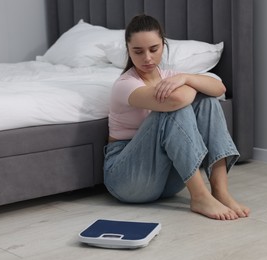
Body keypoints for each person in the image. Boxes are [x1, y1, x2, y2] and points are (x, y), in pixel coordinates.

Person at [103, 14, 250, 220]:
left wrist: (186, 77)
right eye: (138, 51)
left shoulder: (171, 76)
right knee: (176, 108)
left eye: (153, 49)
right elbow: (175, 102)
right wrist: (194, 86)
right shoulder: (125, 84)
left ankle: (220, 191)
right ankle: (199, 196)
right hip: (126, 179)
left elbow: (219, 88)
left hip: (167, 182)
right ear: (128, 51)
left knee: (207, 102)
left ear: (163, 45)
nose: (147, 58)